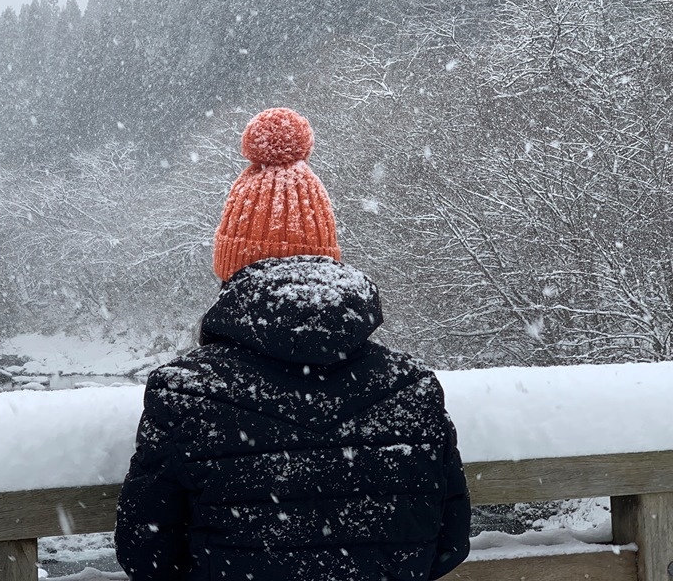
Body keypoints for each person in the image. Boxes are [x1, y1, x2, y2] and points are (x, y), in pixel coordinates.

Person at [115, 107, 470, 581]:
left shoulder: (184, 394)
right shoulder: (413, 387)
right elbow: (448, 542)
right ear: (328, 257)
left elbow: (147, 553)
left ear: (231, 268)